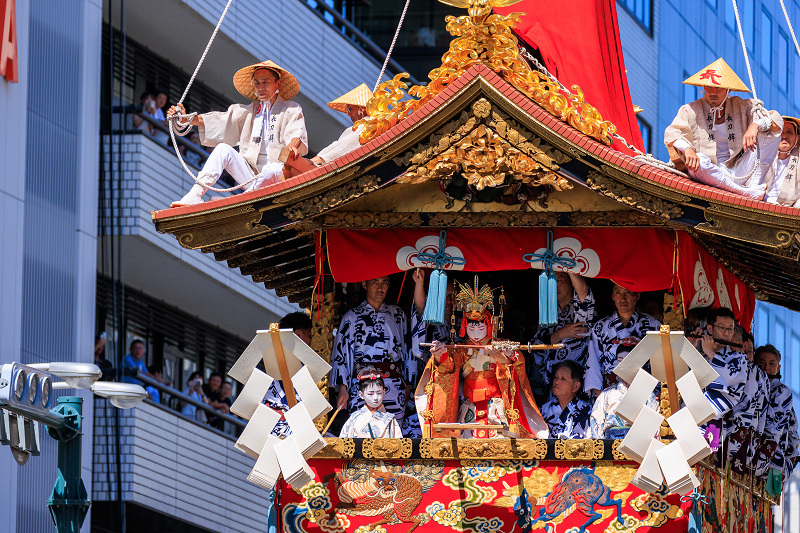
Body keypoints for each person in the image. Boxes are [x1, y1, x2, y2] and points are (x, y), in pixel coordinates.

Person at [422, 276, 549, 438]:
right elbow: (449, 366)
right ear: (464, 326)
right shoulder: (460, 349)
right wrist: (441, 354)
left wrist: (504, 358)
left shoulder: (501, 345)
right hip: (470, 409)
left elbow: (516, 364)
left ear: (489, 325)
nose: (475, 330)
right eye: (471, 325)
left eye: (480, 325)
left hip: (496, 408)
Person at [167, 60, 308, 206]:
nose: (261, 87)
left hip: (278, 175)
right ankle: (194, 195)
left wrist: (293, 144)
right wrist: (187, 119)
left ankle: (237, 201)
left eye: (265, 82)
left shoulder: (291, 109)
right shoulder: (248, 111)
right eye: (257, 83)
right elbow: (220, 120)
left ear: (277, 84)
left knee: (272, 169)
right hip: (251, 176)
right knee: (222, 149)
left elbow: (296, 133)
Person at [664, 58, 783, 199]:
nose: (713, 92)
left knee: (769, 135)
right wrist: (687, 149)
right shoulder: (690, 109)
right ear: (703, 88)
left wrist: (754, 126)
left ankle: (751, 186)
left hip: (739, 171)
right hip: (707, 172)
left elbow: (775, 119)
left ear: (729, 89)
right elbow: (672, 132)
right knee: (700, 161)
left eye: (718, 88)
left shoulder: (742, 106)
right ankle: (745, 193)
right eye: (708, 87)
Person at [332, 276, 412, 430]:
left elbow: (408, 350)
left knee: (393, 434)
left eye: (385, 283)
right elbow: (341, 353)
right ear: (364, 284)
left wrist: (408, 385)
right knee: (362, 431)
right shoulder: (351, 316)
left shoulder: (398, 315)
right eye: (375, 282)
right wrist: (343, 388)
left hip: (394, 386)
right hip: (361, 386)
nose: (380, 287)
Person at [528, 272, 594, 403]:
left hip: (577, 382)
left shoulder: (579, 310)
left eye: (559, 280)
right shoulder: (549, 312)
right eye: (551, 282)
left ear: (571, 283)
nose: (555, 285)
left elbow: (584, 293)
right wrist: (560, 334)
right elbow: (535, 345)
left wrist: (568, 268)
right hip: (552, 385)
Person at [584, 284, 660, 395]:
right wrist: (600, 396)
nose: (623, 298)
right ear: (613, 297)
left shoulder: (654, 325)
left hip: (645, 389)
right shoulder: (601, 327)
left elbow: (660, 364)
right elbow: (593, 364)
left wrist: (657, 393)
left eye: (628, 292)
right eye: (618, 292)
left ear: (637, 295)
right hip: (611, 392)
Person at [264, 311, 314, 438]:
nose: (313, 341)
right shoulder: (286, 361)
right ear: (298, 334)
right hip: (286, 427)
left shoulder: (272, 359)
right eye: (310, 335)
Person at [754, 345, 799, 480]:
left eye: (771, 363)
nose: (766, 367)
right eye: (762, 363)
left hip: (771, 455)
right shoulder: (752, 384)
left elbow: (772, 427)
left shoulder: (782, 391)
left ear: (778, 368)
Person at [311, 84, 371, 165]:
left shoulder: (363, 126)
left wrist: (317, 161)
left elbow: (342, 147)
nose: (349, 114)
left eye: (350, 109)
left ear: (362, 107)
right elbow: (338, 145)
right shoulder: (365, 124)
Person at [339, 367, 402, 438]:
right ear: (361, 395)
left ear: (384, 392)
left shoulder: (390, 419)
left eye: (379, 393)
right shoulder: (354, 418)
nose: (375, 398)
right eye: (370, 394)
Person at [540, 360, 592, 439]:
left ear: (576, 386)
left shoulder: (587, 411)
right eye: (556, 377)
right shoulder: (543, 410)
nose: (557, 382)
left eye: (563, 378)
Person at [763, 116, 800, 206]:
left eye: (789, 132)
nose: (783, 136)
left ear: (797, 138)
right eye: (780, 132)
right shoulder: (761, 153)